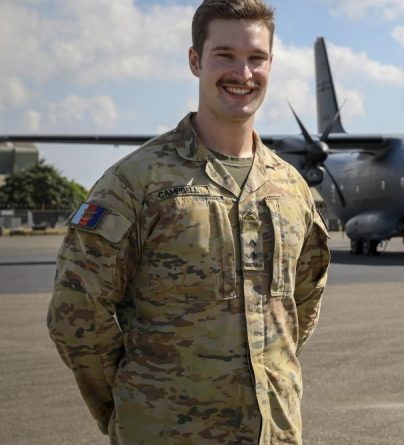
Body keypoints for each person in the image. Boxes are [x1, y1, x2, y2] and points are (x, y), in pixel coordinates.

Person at [47, 1, 330, 443]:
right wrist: (130, 405)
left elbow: (301, 304)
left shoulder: (290, 189)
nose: (243, 73)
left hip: (274, 433)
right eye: (225, 55)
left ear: (271, 63)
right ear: (195, 61)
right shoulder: (134, 182)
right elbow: (77, 313)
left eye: (256, 58)